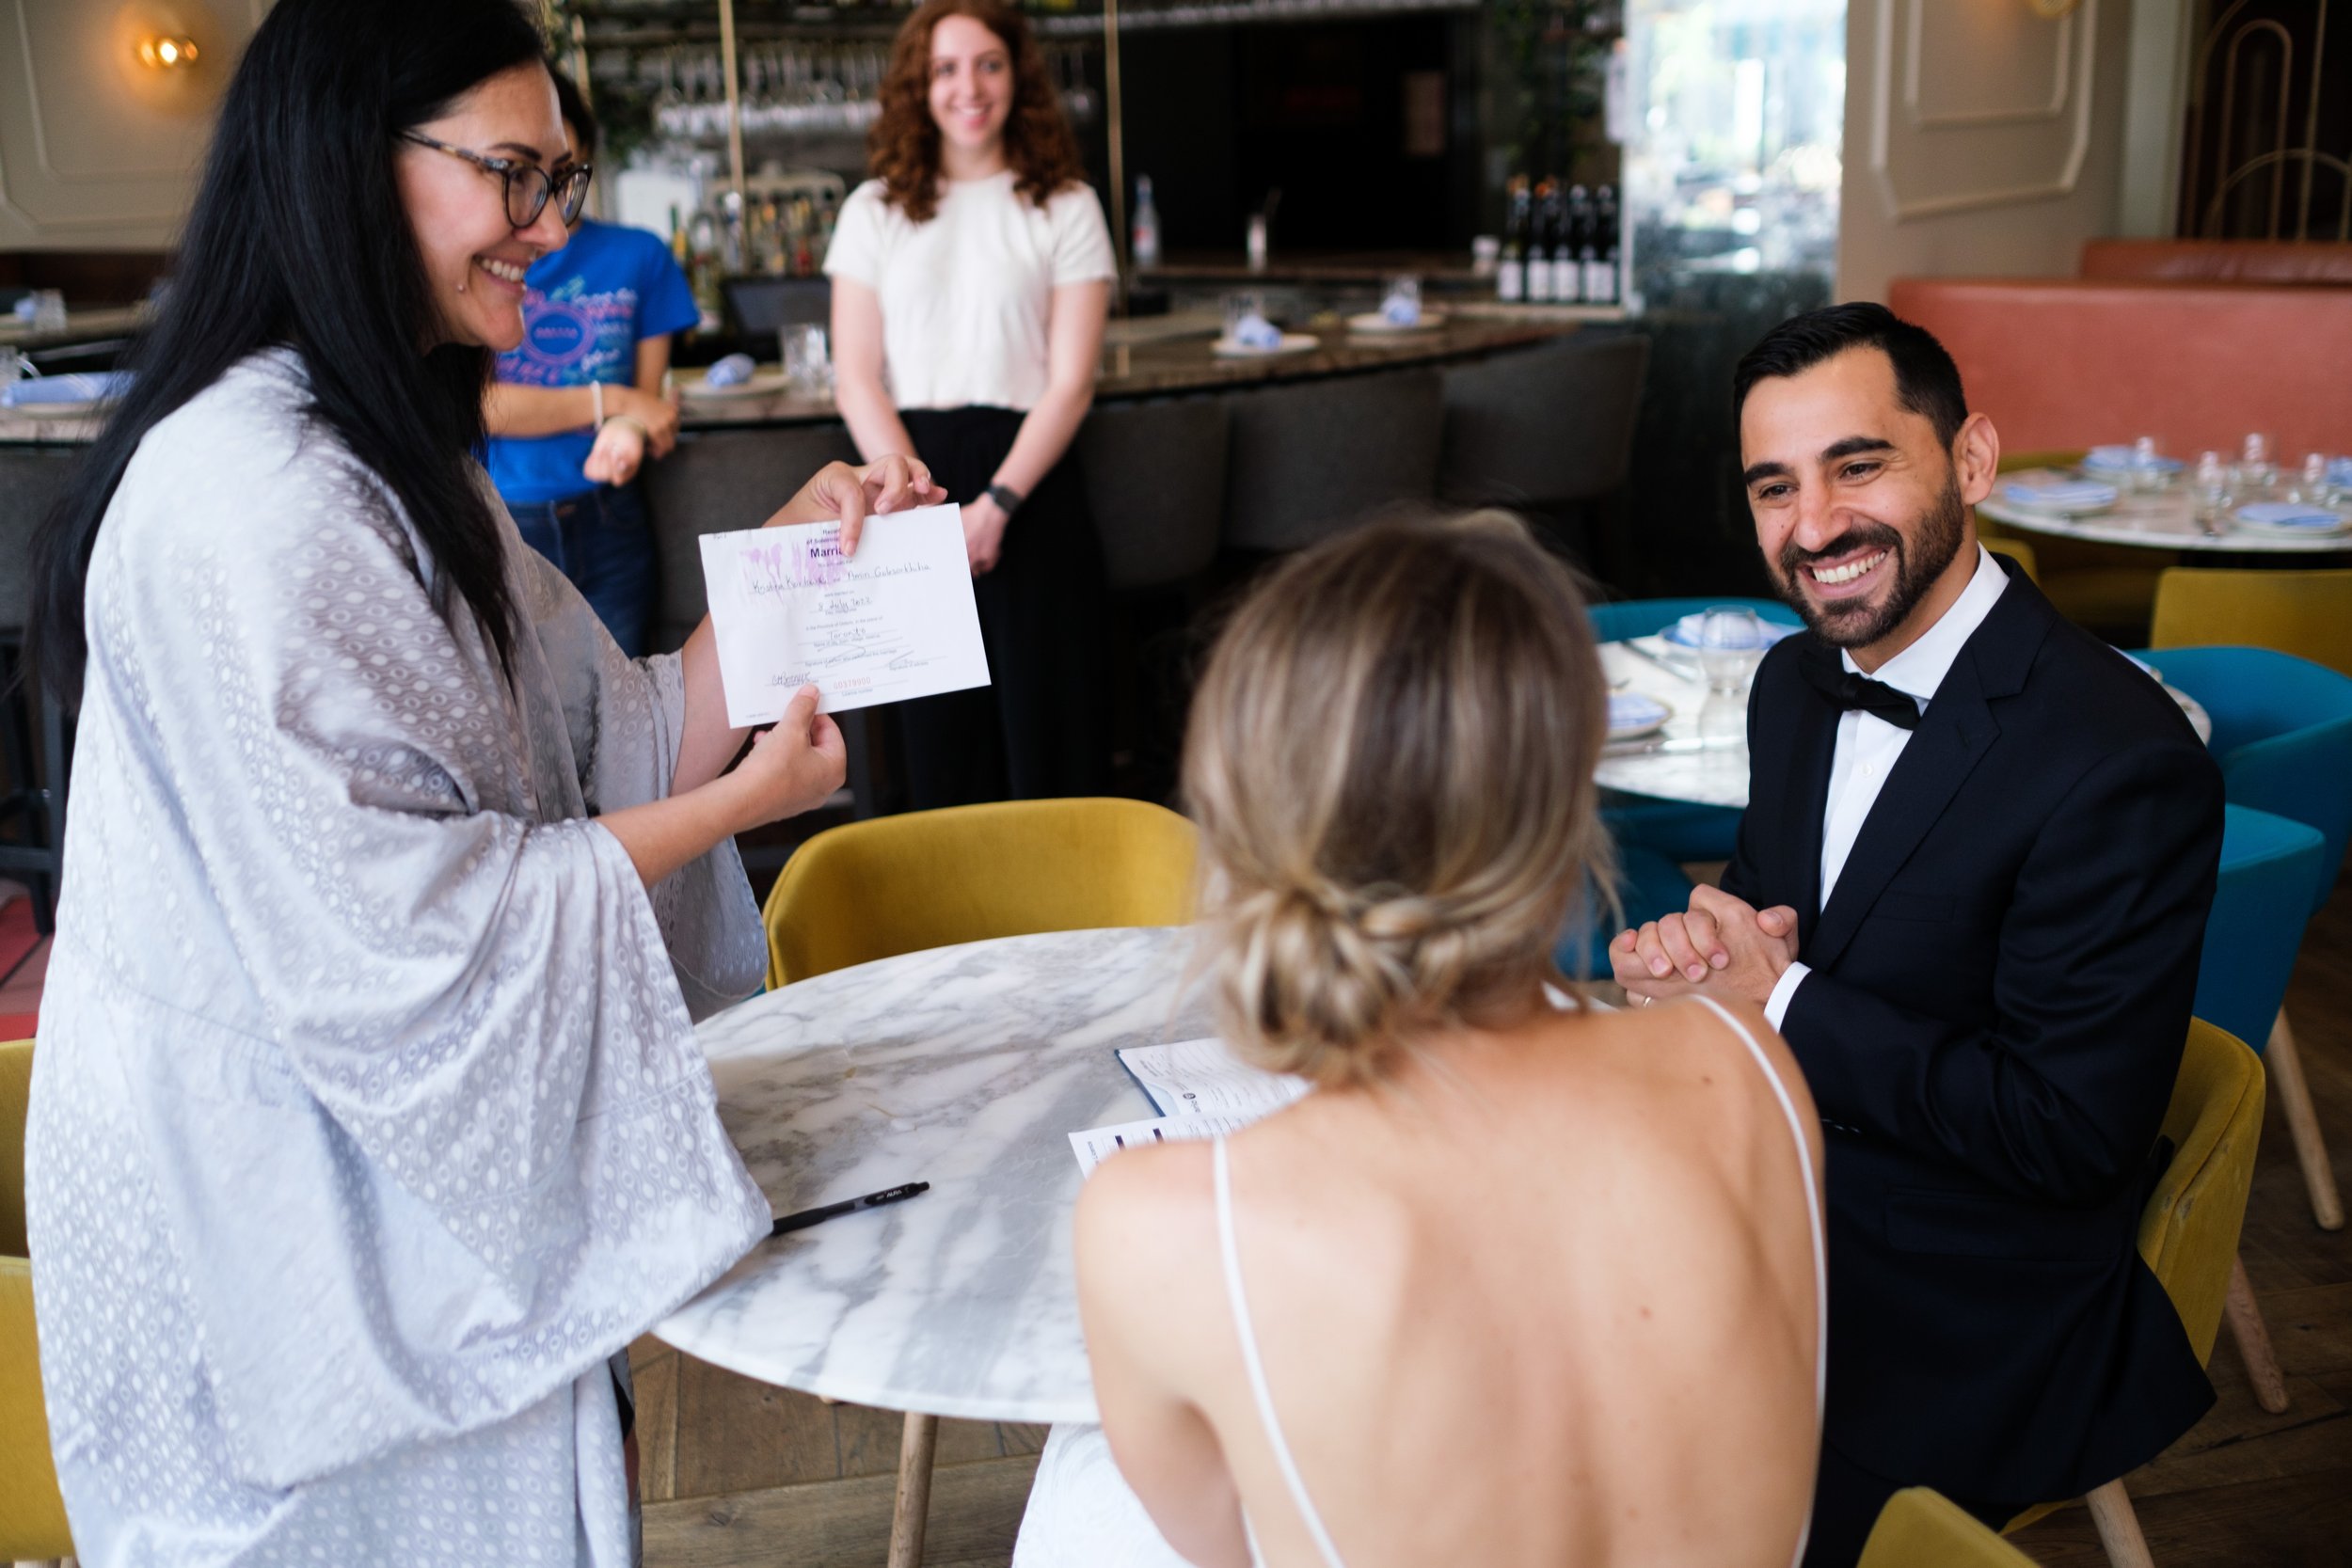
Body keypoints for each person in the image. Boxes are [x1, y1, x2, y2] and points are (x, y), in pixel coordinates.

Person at [22, 3, 940, 1560]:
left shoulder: (381, 446)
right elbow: (408, 939)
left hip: (393, 1147)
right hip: (283, 1201)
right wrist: (738, 810)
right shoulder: (260, 501)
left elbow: (611, 729)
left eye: (562, 177)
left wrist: (801, 558)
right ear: (348, 167)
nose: (552, 226)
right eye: (514, 176)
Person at [1018, 515, 1827, 1568]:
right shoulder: (1750, 1067)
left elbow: (1229, 1542)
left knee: (1074, 1501)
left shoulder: (1163, 1222)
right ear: (1571, 786)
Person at [1610, 303, 2223, 1565]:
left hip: (1963, 1305)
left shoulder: (2120, 757)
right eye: (1774, 486)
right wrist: (1690, 970)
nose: (1815, 525)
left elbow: (2063, 1133)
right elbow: (1773, 932)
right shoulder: (1794, 683)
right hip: (1772, 1209)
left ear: (1973, 462)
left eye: (1859, 463)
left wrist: (1776, 1002)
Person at [826, 0, 1116, 808]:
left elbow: (1071, 382)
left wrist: (997, 505)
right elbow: (856, 376)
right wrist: (911, 495)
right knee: (935, 754)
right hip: (914, 485)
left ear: (1017, 75)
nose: (969, 86)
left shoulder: (1067, 205)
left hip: (1032, 485)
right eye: (946, 68)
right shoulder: (872, 211)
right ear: (920, 86)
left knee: (1050, 743)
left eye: (988, 62)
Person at [484, 70, 693, 657]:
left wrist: (630, 424)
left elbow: (648, 402)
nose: (549, 195)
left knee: (626, 718)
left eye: (565, 170)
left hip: (612, 518)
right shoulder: (482, 265)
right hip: (502, 520)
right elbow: (481, 405)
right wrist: (617, 402)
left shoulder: (640, 256)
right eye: (528, 173)